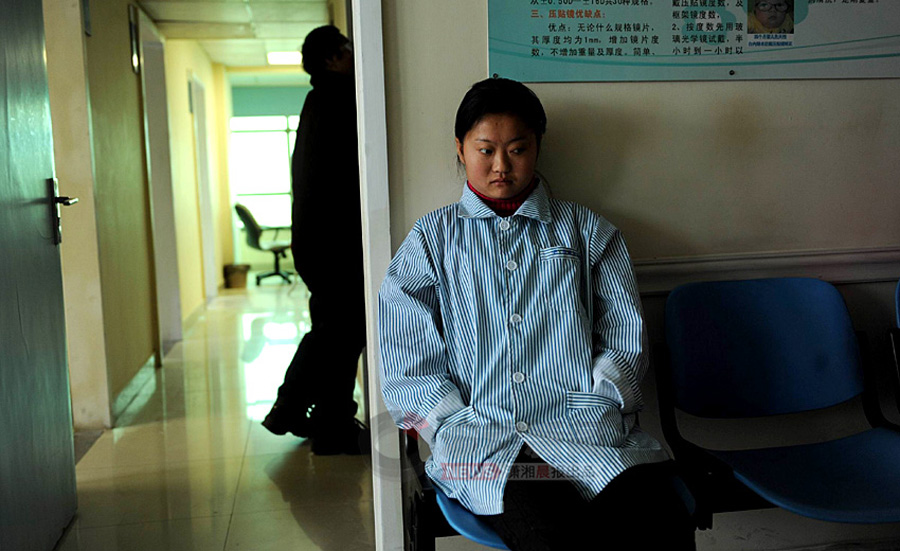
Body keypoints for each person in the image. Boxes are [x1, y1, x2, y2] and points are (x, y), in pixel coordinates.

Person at [378, 78, 695, 550]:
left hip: (586, 431)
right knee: (555, 537)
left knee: (662, 523)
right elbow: (407, 359)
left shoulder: (587, 231)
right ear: (461, 149)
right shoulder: (431, 240)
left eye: (517, 149)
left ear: (537, 147)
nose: (501, 166)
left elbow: (625, 338)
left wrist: (602, 400)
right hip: (485, 443)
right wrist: (451, 422)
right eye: (485, 150)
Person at [261, 25, 369, 456]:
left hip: (318, 241)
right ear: (330, 58)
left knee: (337, 332)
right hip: (333, 244)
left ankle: (328, 420)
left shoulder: (319, 100)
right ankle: (293, 409)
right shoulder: (339, 100)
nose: (353, 54)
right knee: (340, 332)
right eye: (346, 48)